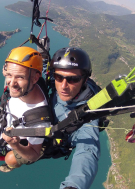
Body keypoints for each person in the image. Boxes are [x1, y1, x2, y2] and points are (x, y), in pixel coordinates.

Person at [49, 47, 100, 189]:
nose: (63, 86)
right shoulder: (54, 85)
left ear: (84, 80)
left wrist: (73, 186)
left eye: (73, 79)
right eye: (58, 77)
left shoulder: (88, 113)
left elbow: (87, 150)